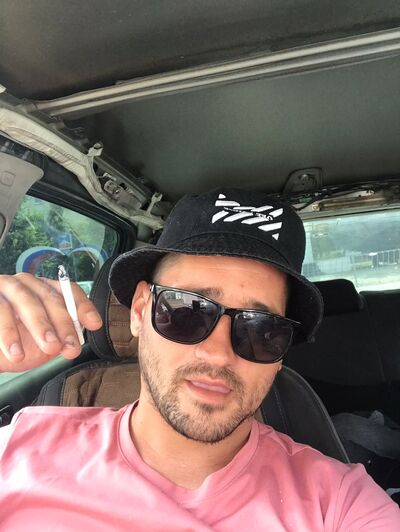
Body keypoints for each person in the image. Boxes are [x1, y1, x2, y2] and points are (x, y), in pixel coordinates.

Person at [0, 188, 399, 530]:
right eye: (186, 311)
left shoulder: (337, 502)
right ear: (139, 310)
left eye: (261, 329)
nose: (218, 354)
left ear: (281, 353)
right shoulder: (20, 450)